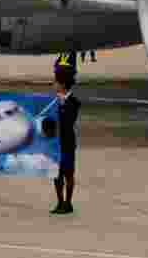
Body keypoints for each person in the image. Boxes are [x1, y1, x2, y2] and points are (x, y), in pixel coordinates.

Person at [52, 70, 81, 214]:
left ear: (62, 85)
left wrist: (61, 105)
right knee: (56, 175)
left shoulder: (74, 102)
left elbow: (68, 121)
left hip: (67, 144)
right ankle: (59, 202)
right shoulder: (53, 102)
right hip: (56, 144)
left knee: (68, 174)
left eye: (56, 82)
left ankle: (68, 203)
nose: (54, 85)